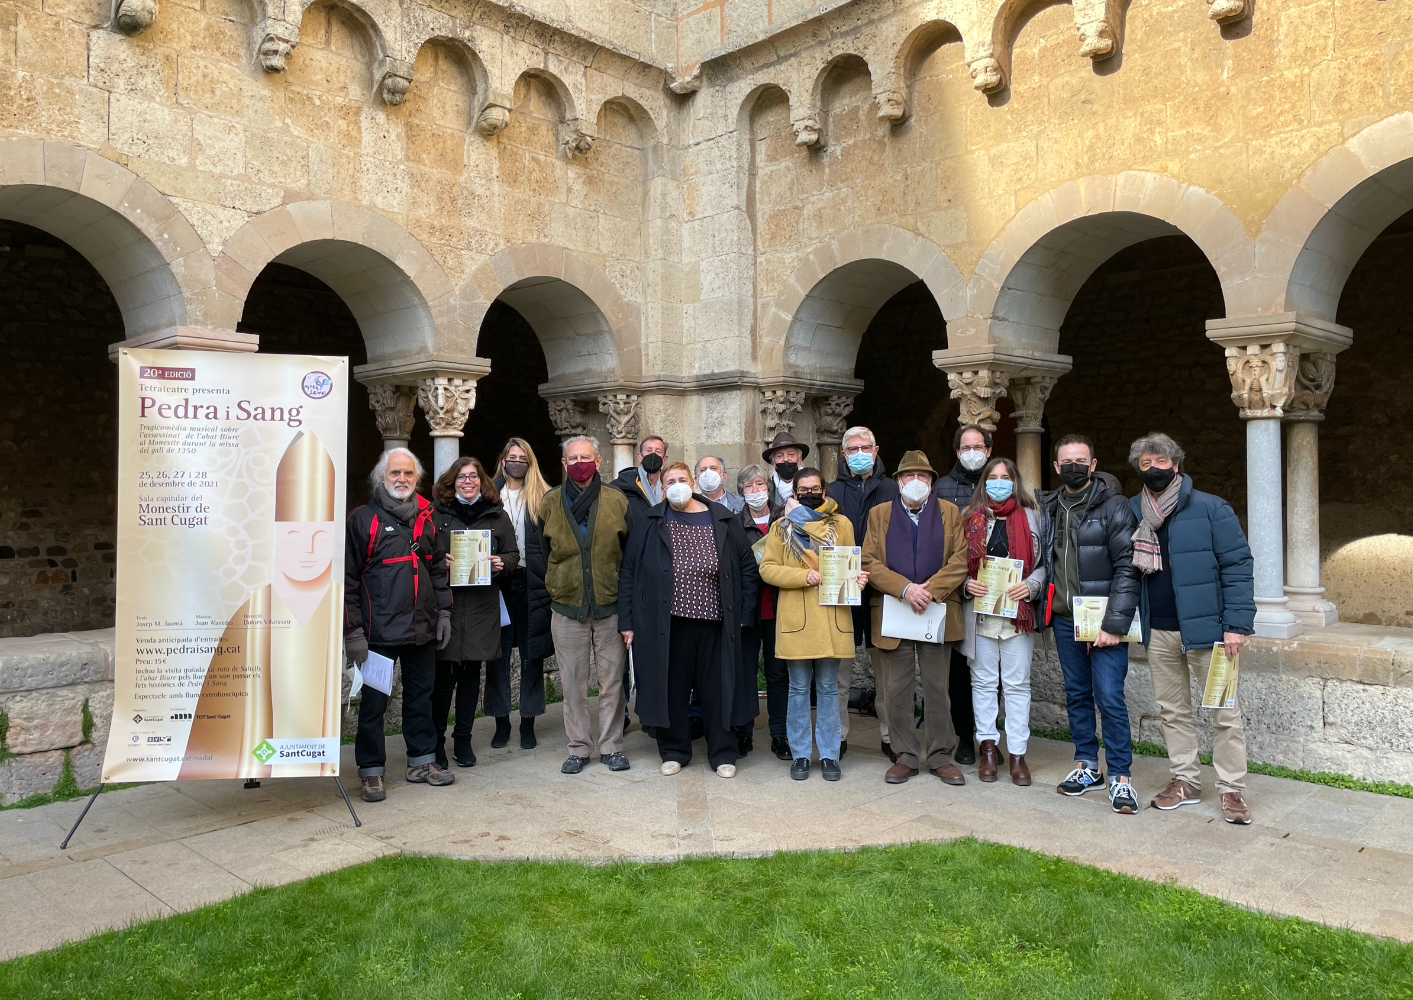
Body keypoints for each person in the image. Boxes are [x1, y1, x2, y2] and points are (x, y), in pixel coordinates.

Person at [1127, 433, 1257, 825]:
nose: (1153, 470)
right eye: (1145, 464)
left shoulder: (1212, 509)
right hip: (1161, 630)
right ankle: (1185, 781)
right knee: (1173, 711)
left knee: (1224, 711)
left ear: (1177, 464)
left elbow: (1238, 566)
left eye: (1160, 463)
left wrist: (1237, 624)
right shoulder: (1133, 510)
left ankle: (1232, 788)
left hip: (1212, 632)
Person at [619, 462, 759, 778]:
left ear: (693, 481)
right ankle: (673, 750)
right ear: (662, 487)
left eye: (682, 479)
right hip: (667, 624)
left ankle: (723, 752)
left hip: (717, 623)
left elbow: (747, 568)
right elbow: (630, 572)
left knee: (718, 690)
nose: (677, 485)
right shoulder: (650, 520)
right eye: (670, 481)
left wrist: (744, 613)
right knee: (672, 689)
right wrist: (628, 621)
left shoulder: (722, 518)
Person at [343, 448, 454, 802]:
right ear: (381, 478)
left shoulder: (428, 516)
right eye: (395, 474)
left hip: (421, 629)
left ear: (417, 479)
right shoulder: (362, 520)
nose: (401, 480)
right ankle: (371, 771)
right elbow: (347, 581)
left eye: (408, 474)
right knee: (375, 704)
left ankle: (422, 762)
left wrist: (445, 613)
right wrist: (353, 632)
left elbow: (437, 569)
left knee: (421, 698)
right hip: (377, 634)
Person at [1039, 434, 1142, 815]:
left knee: (1110, 696)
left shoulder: (1115, 507)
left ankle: (1120, 777)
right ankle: (1086, 765)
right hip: (1067, 619)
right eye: (1066, 461)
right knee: (1077, 693)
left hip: (1107, 623)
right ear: (1056, 468)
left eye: (1080, 460)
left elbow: (1128, 568)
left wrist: (1114, 624)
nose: (1073, 467)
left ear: (1094, 465)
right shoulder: (1050, 507)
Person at [860, 450, 968, 786]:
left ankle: (940, 755)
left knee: (939, 689)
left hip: (936, 613)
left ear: (932, 482)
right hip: (894, 612)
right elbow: (869, 561)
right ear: (898, 482)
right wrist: (906, 589)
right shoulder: (880, 514)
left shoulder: (951, 513)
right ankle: (905, 755)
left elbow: (960, 560)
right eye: (909, 476)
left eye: (923, 476)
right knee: (896, 689)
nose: (916, 482)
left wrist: (929, 590)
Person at [532, 435, 634, 774]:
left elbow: (628, 553)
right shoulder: (549, 503)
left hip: (609, 605)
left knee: (612, 683)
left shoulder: (617, 501)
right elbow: (546, 554)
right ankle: (578, 747)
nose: (579, 464)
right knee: (572, 683)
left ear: (600, 461)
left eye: (585, 457)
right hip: (567, 609)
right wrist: (563, 584)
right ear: (563, 464)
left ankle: (611, 746)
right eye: (572, 458)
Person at [758, 467, 866, 782]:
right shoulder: (780, 527)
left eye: (815, 488)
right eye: (803, 489)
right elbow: (767, 569)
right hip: (797, 620)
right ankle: (802, 754)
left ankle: (830, 755)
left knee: (830, 689)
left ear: (824, 490)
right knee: (798, 688)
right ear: (795, 492)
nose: (809, 493)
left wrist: (856, 577)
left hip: (832, 618)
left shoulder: (842, 524)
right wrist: (802, 576)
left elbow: (847, 562)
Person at [961, 457, 1047, 785]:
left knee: (1017, 685)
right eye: (993, 477)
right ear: (984, 482)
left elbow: (1045, 563)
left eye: (1005, 477)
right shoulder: (969, 518)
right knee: (982, 683)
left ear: (1015, 482)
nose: (999, 482)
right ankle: (987, 749)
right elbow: (955, 564)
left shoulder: (1034, 518)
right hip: (980, 613)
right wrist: (966, 584)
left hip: (1017, 614)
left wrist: (1033, 584)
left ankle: (1018, 755)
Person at [430, 456, 518, 769]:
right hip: (448, 606)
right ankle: (436, 742)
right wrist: (440, 562)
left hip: (482, 605)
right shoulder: (436, 514)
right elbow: (423, 552)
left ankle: (463, 739)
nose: (468, 482)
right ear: (452, 482)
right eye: (462, 477)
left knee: (471, 675)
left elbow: (512, 552)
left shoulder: (496, 515)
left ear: (482, 481)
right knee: (443, 677)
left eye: (474, 477)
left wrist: (501, 563)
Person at [825, 425, 899, 760]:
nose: (858, 454)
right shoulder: (830, 493)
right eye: (852, 449)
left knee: (887, 670)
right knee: (839, 670)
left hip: (881, 590)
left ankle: (891, 737)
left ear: (876, 449)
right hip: (842, 592)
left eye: (864, 448)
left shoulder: (893, 489)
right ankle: (837, 736)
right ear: (843, 454)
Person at [934, 423, 993, 766]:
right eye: (965, 447)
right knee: (957, 670)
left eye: (979, 447)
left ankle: (988, 736)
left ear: (988, 449)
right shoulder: (942, 487)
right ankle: (964, 738)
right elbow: (938, 546)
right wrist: (957, 582)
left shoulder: (1001, 483)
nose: (973, 453)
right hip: (956, 593)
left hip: (996, 594)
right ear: (957, 452)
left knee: (992, 672)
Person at [493, 437, 554, 749]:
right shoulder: (489, 495)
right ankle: (500, 721)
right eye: (511, 456)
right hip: (498, 584)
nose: (516, 461)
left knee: (533, 655)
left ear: (530, 462)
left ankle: (528, 720)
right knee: (497, 654)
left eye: (522, 457)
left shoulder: (543, 497)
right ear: (503, 460)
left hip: (533, 583)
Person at [737, 462, 789, 760]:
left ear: (768, 488)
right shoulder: (734, 522)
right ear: (741, 492)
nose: (756, 491)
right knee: (745, 673)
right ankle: (743, 732)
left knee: (777, 674)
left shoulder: (785, 518)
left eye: (760, 485)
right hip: (748, 610)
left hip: (781, 609)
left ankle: (779, 734)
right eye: (749, 487)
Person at [610, 435, 668, 519]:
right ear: (640, 457)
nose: (653, 454)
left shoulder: (671, 486)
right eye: (649, 450)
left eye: (658, 451)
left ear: (664, 459)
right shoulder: (621, 486)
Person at [762, 431, 807, 508]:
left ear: (800, 459)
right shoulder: (767, 489)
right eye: (780, 456)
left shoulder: (814, 484)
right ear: (773, 462)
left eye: (791, 454)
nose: (786, 459)